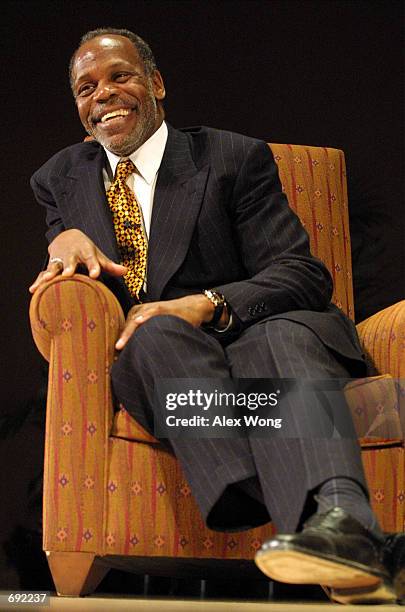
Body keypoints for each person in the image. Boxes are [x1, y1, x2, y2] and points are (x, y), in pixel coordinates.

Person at [29, 28, 396, 604]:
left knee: (272, 341)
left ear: (155, 83)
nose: (102, 94)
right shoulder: (60, 177)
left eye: (119, 76)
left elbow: (302, 274)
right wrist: (63, 239)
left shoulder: (231, 157)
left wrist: (207, 304)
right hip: (162, 359)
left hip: (262, 332)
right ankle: (336, 536)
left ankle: (341, 523)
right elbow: (65, 240)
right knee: (151, 333)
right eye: (86, 87)